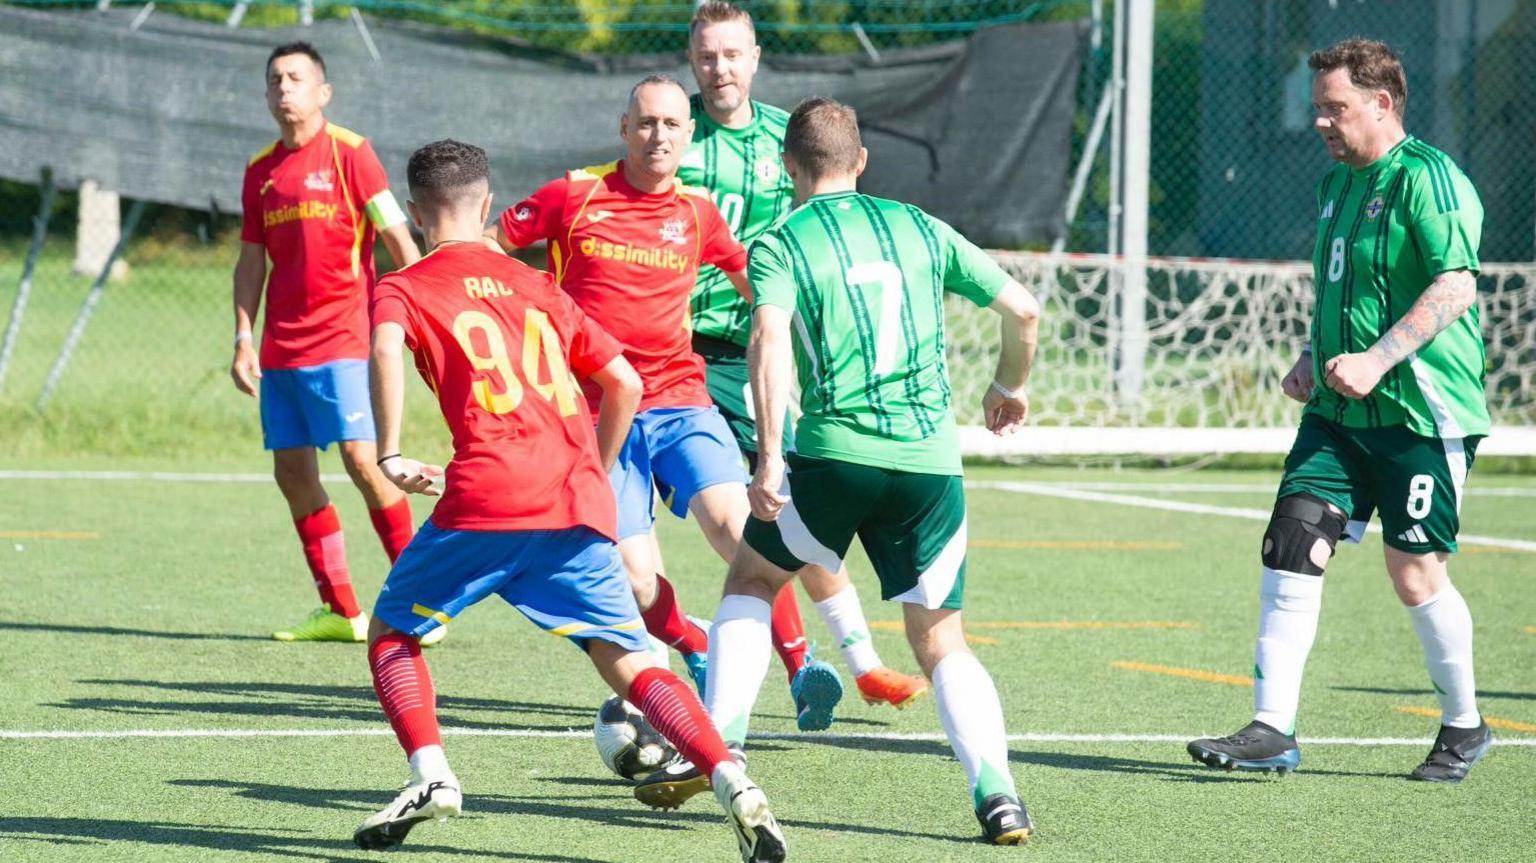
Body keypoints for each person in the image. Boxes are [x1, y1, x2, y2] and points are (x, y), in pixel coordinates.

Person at [355, 139, 784, 863]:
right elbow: (626, 381)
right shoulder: (540, 286)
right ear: (487, 205)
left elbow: (385, 345)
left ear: (416, 213)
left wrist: (390, 449)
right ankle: (733, 779)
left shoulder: (405, 282)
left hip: (490, 490)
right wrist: (596, 466)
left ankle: (431, 774)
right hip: (575, 498)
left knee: (392, 633)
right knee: (629, 659)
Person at [660, 96, 1041, 845]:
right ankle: (998, 795)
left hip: (835, 457)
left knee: (752, 579)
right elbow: (1023, 311)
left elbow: (769, 340)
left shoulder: (780, 241)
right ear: (861, 161)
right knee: (940, 640)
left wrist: (769, 454)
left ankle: (724, 743)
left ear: (786, 167)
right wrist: (1009, 386)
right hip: (931, 465)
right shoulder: (920, 226)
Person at [489, 75, 845, 732]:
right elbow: (489, 248)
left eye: (672, 126)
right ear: (624, 128)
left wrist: (814, 336)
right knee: (633, 573)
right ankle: (694, 642)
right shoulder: (573, 194)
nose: (659, 136)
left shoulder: (697, 211)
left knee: (740, 527)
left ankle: (800, 664)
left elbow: (756, 288)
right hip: (598, 417)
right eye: (647, 123)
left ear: (688, 136)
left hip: (682, 399)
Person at [1187, 39, 1492, 784]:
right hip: (1337, 413)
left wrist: (1377, 359)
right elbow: (1341, 291)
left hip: (1423, 413)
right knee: (1291, 539)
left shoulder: (1431, 180)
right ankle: (1272, 728)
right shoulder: (1336, 185)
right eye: (1317, 107)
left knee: (1415, 573)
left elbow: (1456, 286)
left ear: (1382, 104)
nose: (1321, 121)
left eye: (1335, 107)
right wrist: (1310, 351)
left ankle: (1465, 723)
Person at [681, 0, 928, 710]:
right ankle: (761, 658)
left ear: (755, 57)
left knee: (789, 513)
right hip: (678, 357)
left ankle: (860, 662)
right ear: (691, 59)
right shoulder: (673, 135)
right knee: (732, 524)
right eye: (706, 55)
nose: (719, 67)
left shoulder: (786, 142)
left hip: (761, 357)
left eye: (732, 54)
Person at [232, 42, 431, 644]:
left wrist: (423, 309)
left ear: (323, 91)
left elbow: (399, 237)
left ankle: (421, 602)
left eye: (295, 77)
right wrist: (244, 335)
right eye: (274, 80)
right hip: (280, 351)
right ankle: (341, 610)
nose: (283, 88)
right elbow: (250, 260)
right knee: (292, 473)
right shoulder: (260, 170)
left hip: (347, 337)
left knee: (364, 463)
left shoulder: (352, 154)